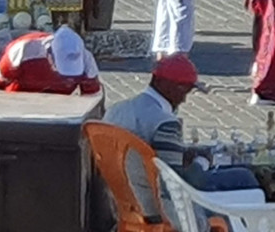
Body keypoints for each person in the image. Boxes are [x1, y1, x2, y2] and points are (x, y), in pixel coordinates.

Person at [104, 55, 260, 230]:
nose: (184, 99)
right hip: (162, 208)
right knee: (244, 177)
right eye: (184, 91)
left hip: (127, 201)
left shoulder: (115, 111)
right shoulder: (164, 122)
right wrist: (202, 161)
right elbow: (178, 183)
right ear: (165, 85)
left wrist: (182, 156)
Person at [0, 26, 100, 94]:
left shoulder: (87, 63)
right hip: (18, 106)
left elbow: (91, 98)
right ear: (49, 54)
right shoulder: (22, 50)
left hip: (61, 112)